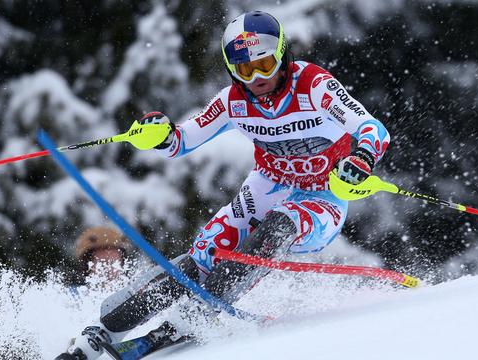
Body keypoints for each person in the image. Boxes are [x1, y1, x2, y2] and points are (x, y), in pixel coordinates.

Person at [58, 10, 390, 359]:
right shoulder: (233, 101)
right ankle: (106, 328)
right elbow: (181, 140)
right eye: (245, 70)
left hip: (323, 196)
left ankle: (197, 314)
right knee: (207, 252)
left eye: (265, 64)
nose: (258, 77)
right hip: (269, 184)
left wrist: (361, 159)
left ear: (282, 55)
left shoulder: (313, 86)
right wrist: (158, 134)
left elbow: (372, 129)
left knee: (280, 226)